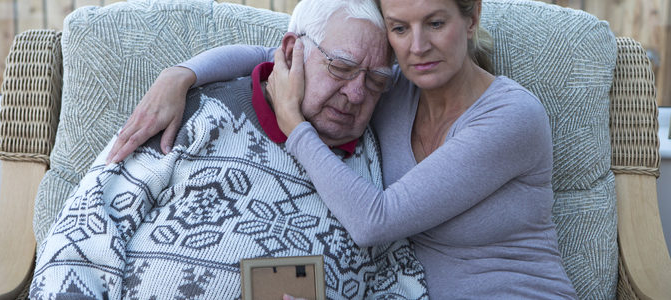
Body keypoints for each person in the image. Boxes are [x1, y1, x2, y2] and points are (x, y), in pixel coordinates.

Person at [107, 0, 579, 298]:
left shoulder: (512, 117)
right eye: (399, 28)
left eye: (435, 23)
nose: (417, 46)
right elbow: (284, 55)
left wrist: (295, 127)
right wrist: (181, 75)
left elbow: (377, 220)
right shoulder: (390, 87)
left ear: (471, 16)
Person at [28, 0, 430, 299]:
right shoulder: (198, 113)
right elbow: (79, 238)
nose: (357, 93)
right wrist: (182, 74)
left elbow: (398, 282)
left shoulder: (374, 164)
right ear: (292, 52)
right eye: (340, 68)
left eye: (376, 82)